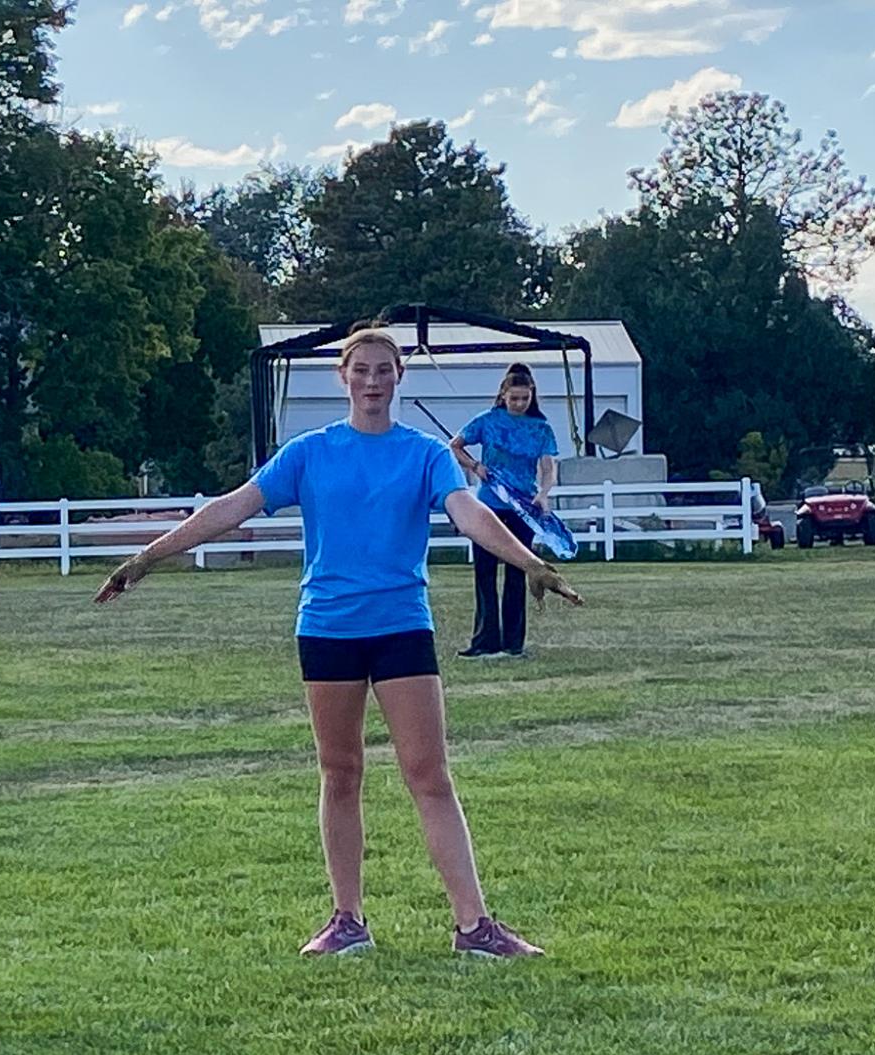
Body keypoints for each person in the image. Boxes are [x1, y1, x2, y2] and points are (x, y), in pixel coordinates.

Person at [95, 328, 580, 959]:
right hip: (327, 630)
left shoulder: (425, 455)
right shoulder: (310, 453)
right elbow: (230, 508)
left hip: (403, 626)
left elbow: (470, 513)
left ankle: (475, 927)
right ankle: (346, 920)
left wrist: (527, 562)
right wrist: (147, 557)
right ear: (344, 378)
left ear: (398, 378)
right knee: (340, 773)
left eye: (384, 371)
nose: (373, 382)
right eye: (362, 371)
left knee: (428, 775)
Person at [449, 364, 560, 660]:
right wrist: (475, 466)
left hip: (522, 508)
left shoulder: (541, 428)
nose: (519, 404)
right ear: (503, 395)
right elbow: (455, 446)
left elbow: (549, 466)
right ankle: (484, 640)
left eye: (524, 398)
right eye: (514, 399)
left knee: (518, 573)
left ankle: (513, 643)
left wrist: (543, 493)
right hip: (488, 506)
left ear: (532, 396)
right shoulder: (486, 421)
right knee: (484, 574)